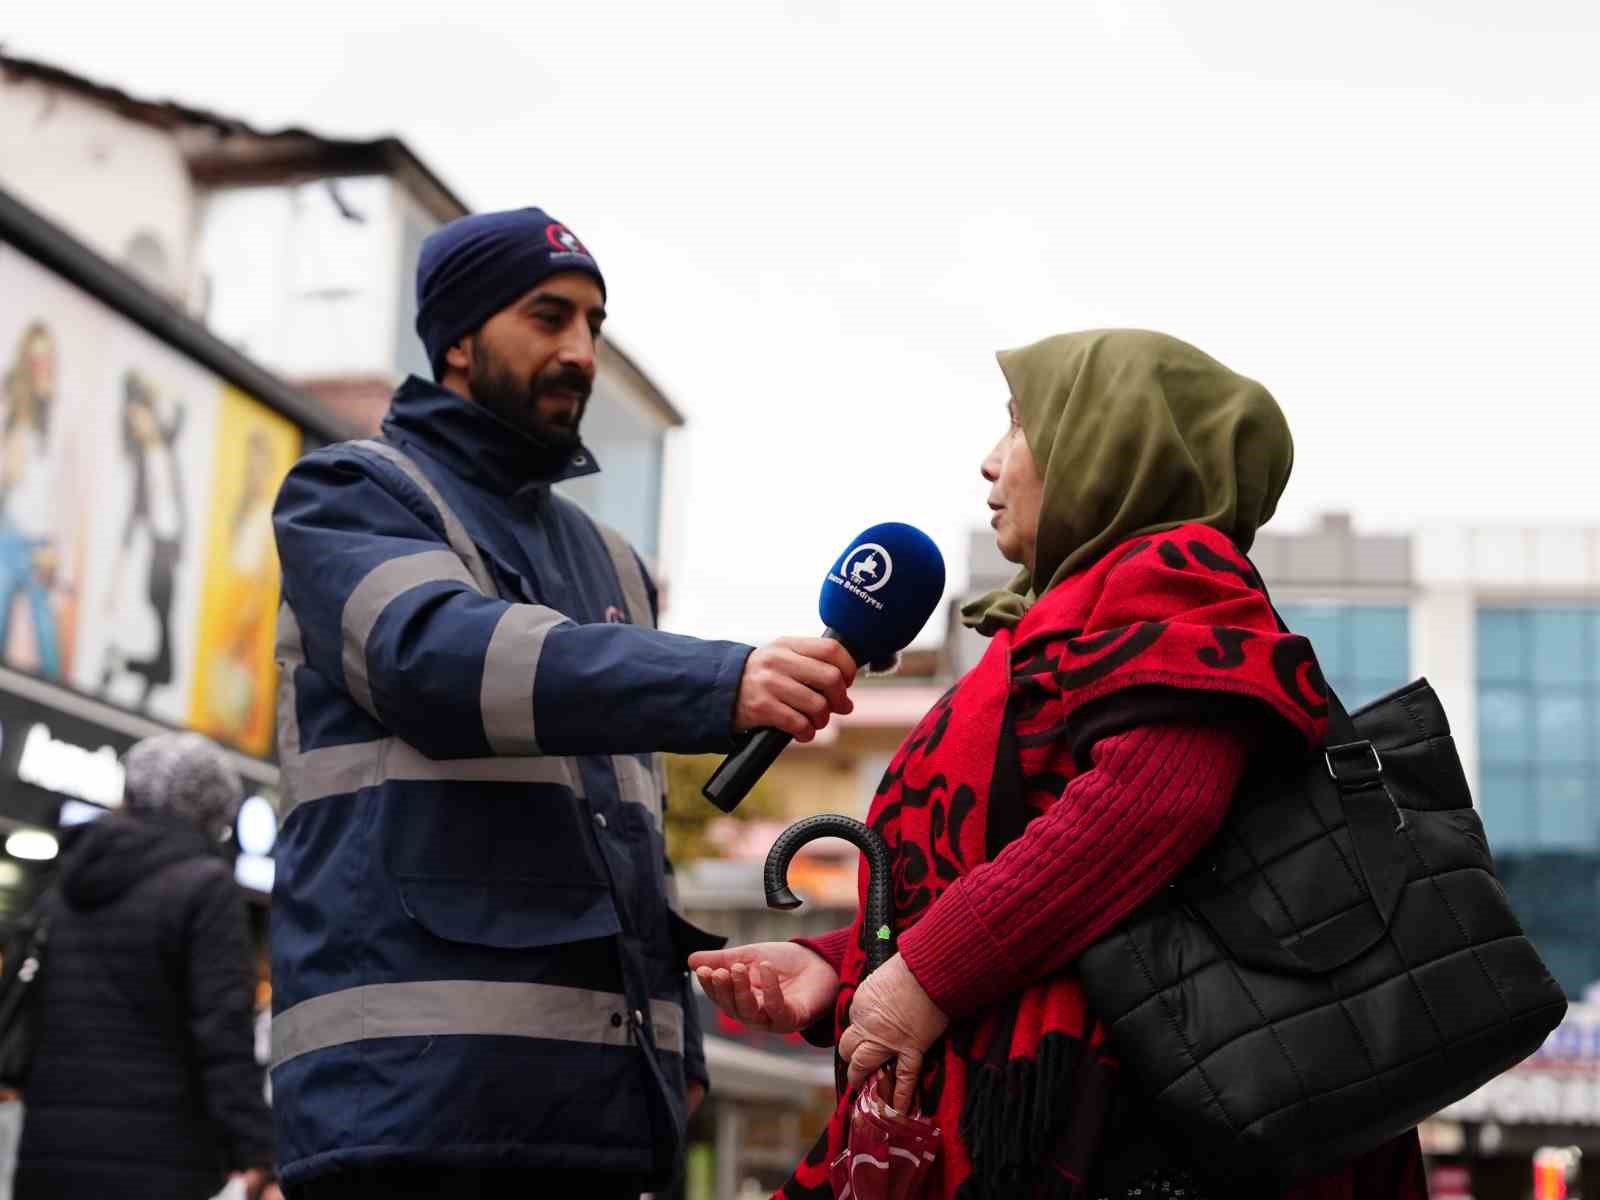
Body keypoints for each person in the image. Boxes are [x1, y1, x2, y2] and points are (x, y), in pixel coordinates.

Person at [691, 330, 1430, 1199]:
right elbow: (1000, 860)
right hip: (1034, 1090)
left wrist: (922, 976)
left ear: (1115, 442)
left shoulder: (1174, 572)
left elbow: (1147, 805)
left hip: (1111, 1126)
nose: (989, 462)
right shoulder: (1064, 612)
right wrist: (840, 967)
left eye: (1018, 426)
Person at [269, 206, 857, 1199]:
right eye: (548, 317)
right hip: (413, 1106)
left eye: (593, 323)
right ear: (457, 337)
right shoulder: (349, 494)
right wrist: (719, 681)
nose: (580, 350)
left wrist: (679, 1061)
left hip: (606, 1119)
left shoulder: (612, 561)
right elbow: (435, 659)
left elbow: (625, 836)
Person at [14, 732, 276, 1200]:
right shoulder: (206, 888)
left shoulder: (70, 878)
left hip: (49, 1151)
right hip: (160, 1160)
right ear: (212, 813)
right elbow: (222, 1032)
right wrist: (255, 1150)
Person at [101, 370, 188, 708]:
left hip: (169, 558)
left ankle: (121, 665)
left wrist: (151, 388)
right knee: (167, 660)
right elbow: (130, 523)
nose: (138, 425)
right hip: (157, 563)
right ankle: (130, 677)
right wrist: (115, 582)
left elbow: (181, 409)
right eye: (132, 420)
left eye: (141, 415)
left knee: (165, 655)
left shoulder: (167, 445)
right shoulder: (141, 464)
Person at [0, 321, 64, 678]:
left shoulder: (54, 411)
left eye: (46, 358)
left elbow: (52, 489)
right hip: (10, 533)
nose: (41, 366)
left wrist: (52, 545)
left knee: (48, 651)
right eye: (34, 358)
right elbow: (9, 475)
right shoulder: (13, 403)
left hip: (39, 541)